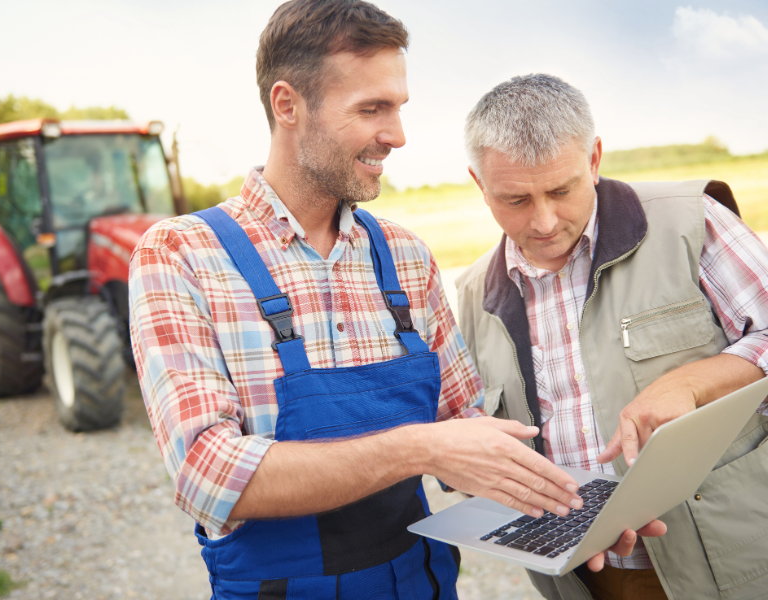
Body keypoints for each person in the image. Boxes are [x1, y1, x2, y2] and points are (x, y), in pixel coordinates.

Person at [129, 4, 651, 598]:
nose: (397, 135)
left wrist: (578, 509)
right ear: (287, 104)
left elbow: (465, 432)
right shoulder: (181, 255)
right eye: (371, 109)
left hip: (420, 584)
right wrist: (417, 448)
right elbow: (208, 476)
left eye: (398, 107)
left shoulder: (403, 256)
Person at [457, 73, 768, 600]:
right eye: (515, 199)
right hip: (584, 580)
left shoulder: (690, 223)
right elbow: (467, 438)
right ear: (479, 184)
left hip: (735, 565)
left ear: (595, 158)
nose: (545, 220)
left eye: (561, 190)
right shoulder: (468, 296)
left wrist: (695, 381)